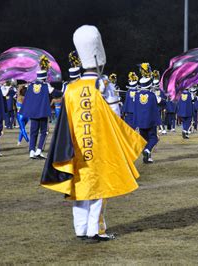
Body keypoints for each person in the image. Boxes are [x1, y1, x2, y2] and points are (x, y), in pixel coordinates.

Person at [41, 25, 146, 243]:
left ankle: (80, 229)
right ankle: (95, 230)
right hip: (98, 144)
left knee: (80, 186)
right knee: (99, 186)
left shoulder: (71, 87)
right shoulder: (104, 84)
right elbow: (115, 115)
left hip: (75, 144)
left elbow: (65, 118)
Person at [20, 56, 56, 159]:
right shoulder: (46, 86)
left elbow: (24, 93)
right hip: (43, 112)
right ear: (44, 77)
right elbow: (55, 93)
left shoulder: (31, 86)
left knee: (33, 132)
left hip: (33, 113)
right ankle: (39, 151)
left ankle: (31, 151)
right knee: (44, 132)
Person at [133, 63, 161, 163]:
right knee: (154, 138)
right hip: (150, 122)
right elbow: (160, 104)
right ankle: (147, 150)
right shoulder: (152, 95)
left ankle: (147, 157)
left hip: (141, 122)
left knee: (144, 140)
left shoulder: (136, 96)